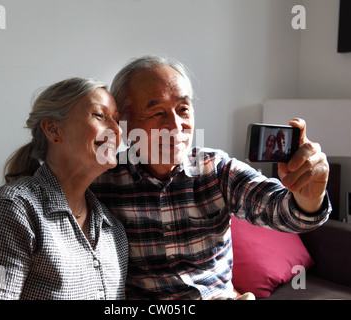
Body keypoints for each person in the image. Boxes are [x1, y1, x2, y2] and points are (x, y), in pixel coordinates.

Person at [90, 55, 331, 300]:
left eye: (183, 109)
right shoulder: (101, 181)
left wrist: (309, 196)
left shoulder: (215, 170)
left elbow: (287, 213)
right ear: (126, 125)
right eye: (158, 113)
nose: (176, 125)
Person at [0, 77, 128, 300]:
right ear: (53, 129)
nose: (116, 130)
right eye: (99, 115)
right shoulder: (10, 211)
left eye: (117, 120)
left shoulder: (113, 229)